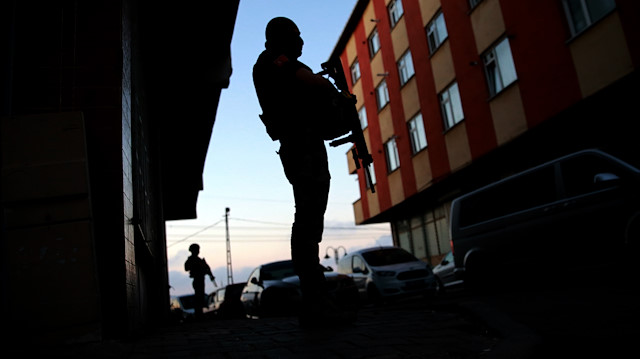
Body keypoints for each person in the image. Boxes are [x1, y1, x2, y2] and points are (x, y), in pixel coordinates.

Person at [253, 17, 347, 327]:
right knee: (307, 217)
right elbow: (310, 83)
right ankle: (315, 298)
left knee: (309, 216)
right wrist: (334, 95)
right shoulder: (275, 61)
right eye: (297, 36)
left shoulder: (276, 63)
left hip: (303, 144)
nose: (302, 42)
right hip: (300, 145)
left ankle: (315, 296)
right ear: (283, 39)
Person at [184, 243, 216, 318]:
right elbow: (186, 268)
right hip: (197, 279)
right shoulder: (192, 260)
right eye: (197, 250)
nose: (198, 251)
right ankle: (198, 314)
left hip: (200, 279)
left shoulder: (198, 260)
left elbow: (207, 268)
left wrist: (210, 274)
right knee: (198, 297)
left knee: (200, 297)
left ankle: (199, 313)